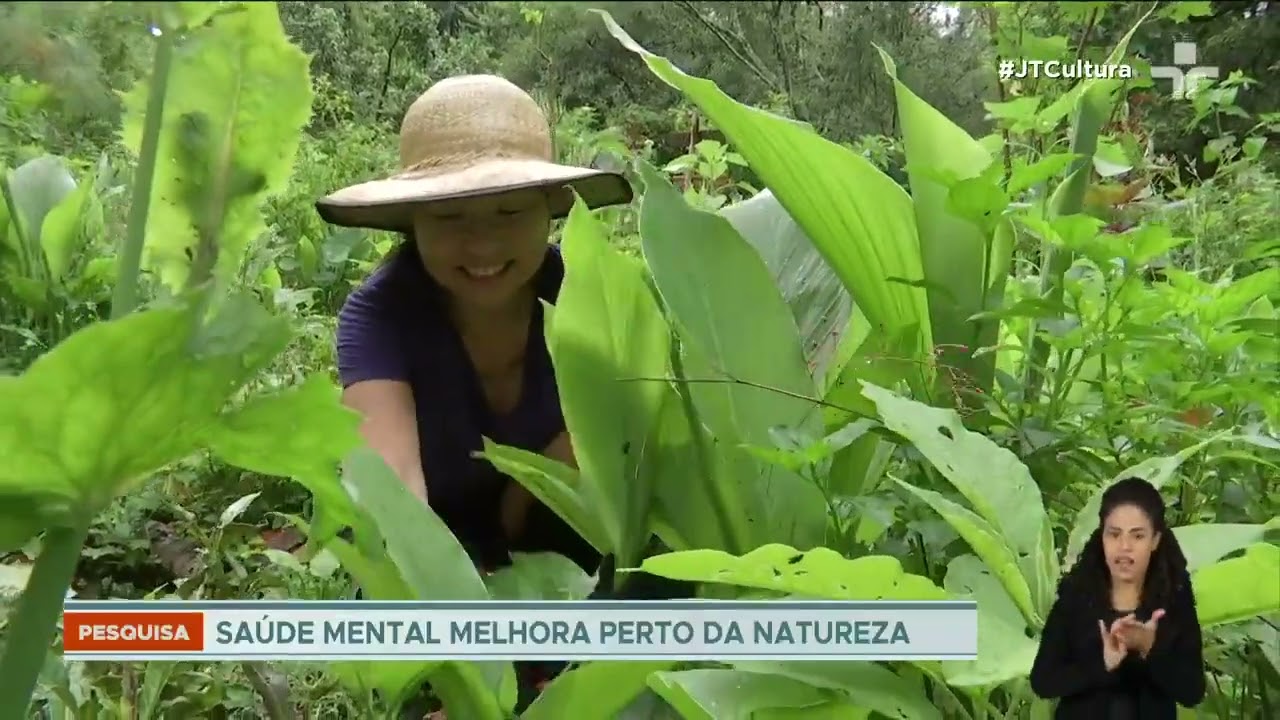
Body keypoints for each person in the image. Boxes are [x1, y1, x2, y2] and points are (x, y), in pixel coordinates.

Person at [316, 74, 684, 715]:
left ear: (549, 208)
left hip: (564, 556)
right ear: (411, 223)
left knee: (669, 584)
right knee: (383, 608)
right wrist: (465, 622)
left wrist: (518, 517)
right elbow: (392, 493)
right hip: (442, 551)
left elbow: (612, 462)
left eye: (510, 211)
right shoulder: (381, 314)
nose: (482, 245)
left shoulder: (589, 300)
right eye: (450, 215)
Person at [1029, 476, 1206, 719]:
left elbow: (1192, 691)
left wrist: (1149, 649)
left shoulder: (1173, 600)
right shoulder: (1077, 596)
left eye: (1137, 536)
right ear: (1102, 537)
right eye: (1114, 534)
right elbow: (1043, 682)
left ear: (1155, 540)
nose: (1124, 546)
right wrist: (1102, 663)